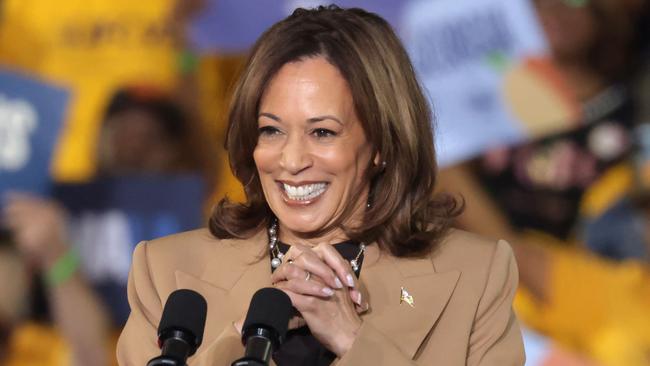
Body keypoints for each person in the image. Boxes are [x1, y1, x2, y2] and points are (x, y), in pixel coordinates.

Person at [116, 6, 525, 366]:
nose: (291, 161)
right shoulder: (168, 272)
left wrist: (355, 342)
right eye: (271, 131)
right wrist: (249, 335)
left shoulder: (475, 276)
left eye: (323, 133)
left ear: (382, 142)